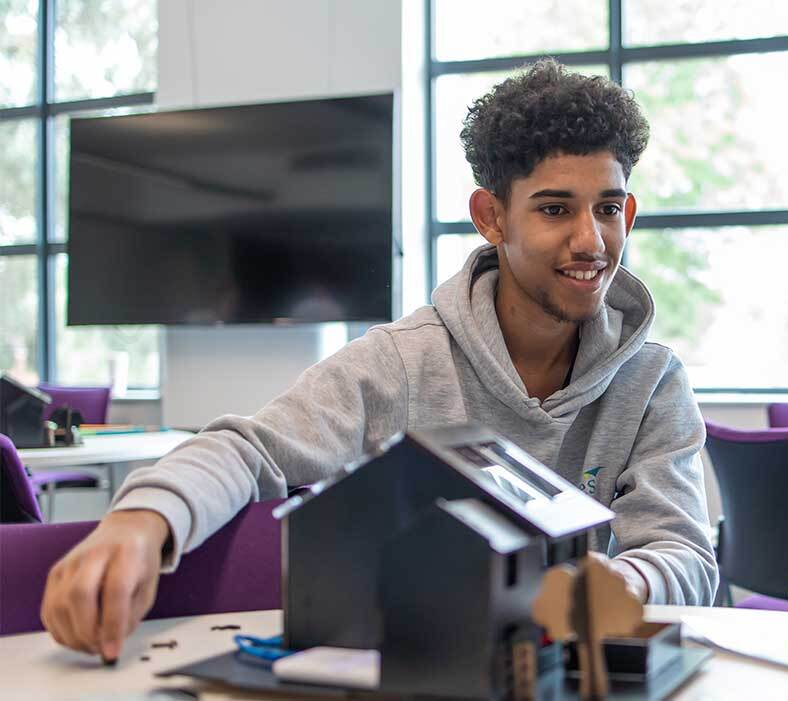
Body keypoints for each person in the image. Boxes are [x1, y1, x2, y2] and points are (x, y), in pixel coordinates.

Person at [39, 59, 718, 663]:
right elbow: (250, 450)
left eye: (607, 208)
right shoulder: (400, 363)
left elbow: (687, 555)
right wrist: (139, 520)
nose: (589, 238)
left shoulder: (652, 383)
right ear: (491, 217)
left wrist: (623, 581)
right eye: (554, 209)